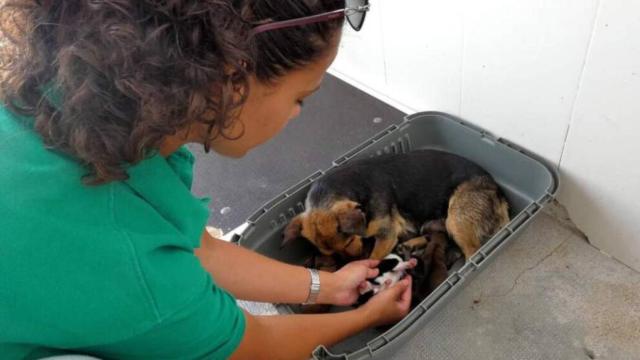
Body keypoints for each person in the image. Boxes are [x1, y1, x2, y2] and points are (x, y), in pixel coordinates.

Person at [0, 1, 412, 359]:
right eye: (300, 97)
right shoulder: (132, 265)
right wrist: (367, 316)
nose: (298, 114)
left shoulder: (85, 96)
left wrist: (329, 287)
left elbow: (200, 250)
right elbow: (254, 347)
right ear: (233, 83)